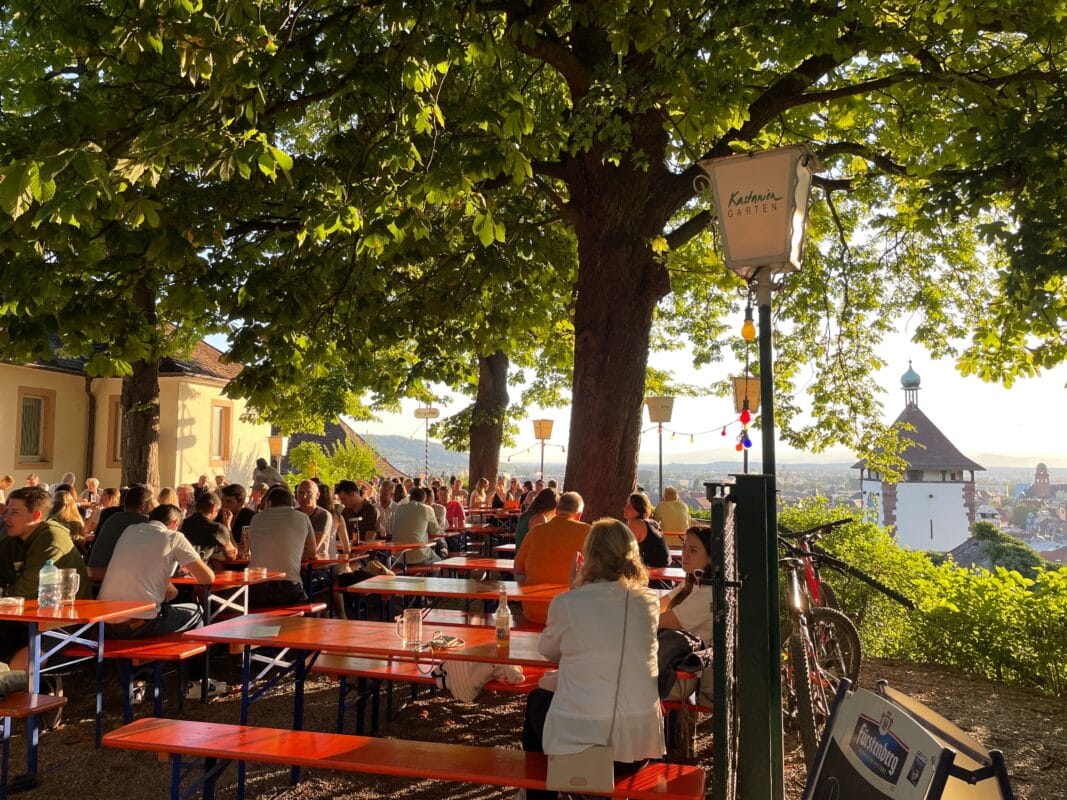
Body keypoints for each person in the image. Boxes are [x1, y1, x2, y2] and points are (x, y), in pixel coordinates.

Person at [521, 518, 664, 800]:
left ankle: (540, 795)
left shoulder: (569, 602)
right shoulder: (648, 601)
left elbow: (548, 650)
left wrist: (575, 590)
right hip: (639, 745)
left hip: (583, 746)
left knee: (537, 701)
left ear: (588, 556)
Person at [0, 487, 91, 668]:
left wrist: (5, 596)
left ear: (36, 516)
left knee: (22, 662)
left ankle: (26, 692)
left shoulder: (51, 538)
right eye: (7, 511)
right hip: (23, 618)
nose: (7, 518)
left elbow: (28, 588)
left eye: (15, 513)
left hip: (64, 620)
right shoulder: (12, 543)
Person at [98, 504, 214, 638]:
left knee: (165, 612)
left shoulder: (129, 530)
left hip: (104, 623)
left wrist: (167, 585)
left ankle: (163, 658)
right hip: (138, 624)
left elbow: (139, 565)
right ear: (175, 523)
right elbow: (207, 578)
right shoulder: (174, 537)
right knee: (197, 611)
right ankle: (189, 658)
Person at [514, 491, 591, 625]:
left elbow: (518, 569)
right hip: (570, 614)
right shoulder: (588, 532)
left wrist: (528, 590)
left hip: (534, 611)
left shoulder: (536, 531)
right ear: (578, 515)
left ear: (556, 510)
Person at [657, 526, 713, 699]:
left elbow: (655, 621)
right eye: (684, 548)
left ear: (711, 558)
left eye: (693, 550)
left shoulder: (706, 595)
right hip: (670, 665)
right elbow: (658, 605)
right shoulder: (692, 583)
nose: (684, 555)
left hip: (675, 679)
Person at [246, 486, 317, 607]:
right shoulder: (303, 518)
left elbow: (253, 549)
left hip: (256, 586)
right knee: (307, 603)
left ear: (269, 502)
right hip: (289, 586)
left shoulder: (256, 518)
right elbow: (312, 552)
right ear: (292, 503)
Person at [88, 485, 156, 568]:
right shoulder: (145, 522)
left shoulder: (112, 518)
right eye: (152, 503)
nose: (153, 507)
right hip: (110, 572)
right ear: (143, 506)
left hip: (96, 568)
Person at [623, 493, 670, 583]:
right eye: (626, 505)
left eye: (629, 506)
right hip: (663, 575)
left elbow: (624, 550)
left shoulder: (637, 524)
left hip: (652, 578)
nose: (625, 508)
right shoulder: (652, 523)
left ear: (639, 509)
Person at [389, 487, 441, 565]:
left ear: (410, 498)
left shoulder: (399, 508)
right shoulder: (427, 509)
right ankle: (424, 576)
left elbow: (392, 528)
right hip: (418, 556)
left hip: (397, 557)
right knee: (438, 562)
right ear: (424, 499)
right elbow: (436, 532)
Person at [180, 492, 237, 562]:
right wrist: (227, 526)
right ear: (213, 508)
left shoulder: (181, 524)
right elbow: (232, 555)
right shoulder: (217, 529)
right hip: (200, 571)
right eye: (217, 511)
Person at [295, 480, 334, 556]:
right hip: (296, 561)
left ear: (317, 495)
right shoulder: (294, 514)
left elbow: (312, 548)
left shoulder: (323, 515)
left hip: (317, 564)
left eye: (309, 493)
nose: (304, 497)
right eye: (301, 493)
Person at [336, 480, 379, 545]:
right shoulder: (345, 512)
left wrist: (355, 554)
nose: (342, 502)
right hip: (347, 551)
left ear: (352, 494)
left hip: (366, 553)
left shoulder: (371, 511)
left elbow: (369, 543)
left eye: (344, 499)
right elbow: (338, 537)